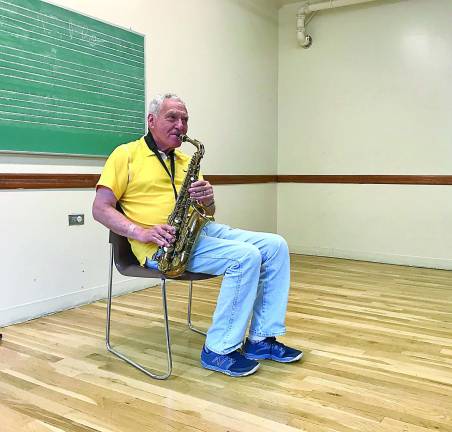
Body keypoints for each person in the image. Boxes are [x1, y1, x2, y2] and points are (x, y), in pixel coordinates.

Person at [93, 93, 303, 377]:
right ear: (151, 121)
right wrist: (140, 232)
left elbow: (208, 214)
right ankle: (218, 349)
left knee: (275, 245)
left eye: (185, 119)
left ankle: (261, 339)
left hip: (199, 234)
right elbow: (100, 208)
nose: (181, 125)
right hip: (161, 247)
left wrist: (207, 201)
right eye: (172, 118)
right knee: (245, 257)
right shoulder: (125, 154)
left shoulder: (185, 160)